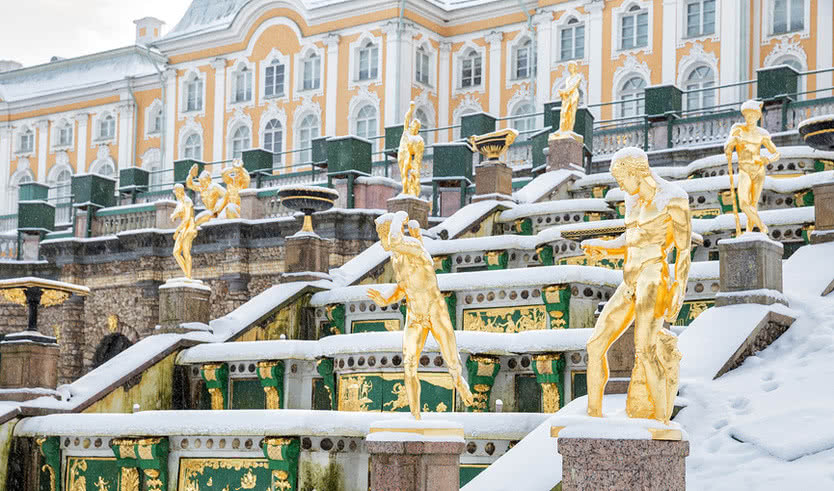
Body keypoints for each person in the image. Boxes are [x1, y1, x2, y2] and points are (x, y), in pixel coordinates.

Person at [581, 147, 691, 423]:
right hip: (629, 280)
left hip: (654, 278)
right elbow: (630, 240)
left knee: (645, 351)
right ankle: (593, 415)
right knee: (595, 346)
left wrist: (680, 288)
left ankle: (661, 422)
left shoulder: (674, 199)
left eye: (621, 179)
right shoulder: (633, 201)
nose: (620, 186)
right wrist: (603, 248)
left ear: (636, 172)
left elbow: (684, 250)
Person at [367, 211, 474, 419]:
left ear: (389, 233)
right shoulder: (396, 258)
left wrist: (399, 216)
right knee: (409, 365)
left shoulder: (415, 248)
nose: (380, 244)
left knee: (452, 361)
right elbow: (402, 286)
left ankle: (459, 381)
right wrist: (386, 299)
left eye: (381, 237)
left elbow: (396, 240)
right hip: (414, 314)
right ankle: (415, 416)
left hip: (435, 310)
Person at [724, 99, 780, 234]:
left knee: (753, 204)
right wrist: (732, 142)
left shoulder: (762, 134)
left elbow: (776, 153)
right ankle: (762, 227)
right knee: (743, 203)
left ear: (758, 116)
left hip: (759, 170)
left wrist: (768, 159)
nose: (749, 118)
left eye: (753, 115)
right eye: (747, 115)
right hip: (744, 169)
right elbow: (726, 148)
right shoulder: (738, 130)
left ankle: (749, 232)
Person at [397, 101, 425, 197]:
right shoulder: (406, 132)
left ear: (417, 129)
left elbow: (418, 156)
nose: (413, 127)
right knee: (403, 174)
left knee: (407, 173)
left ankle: (408, 191)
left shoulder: (418, 139)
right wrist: (411, 109)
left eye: (415, 126)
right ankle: (405, 190)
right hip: (401, 154)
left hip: (408, 156)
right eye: (413, 125)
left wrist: (416, 165)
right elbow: (406, 118)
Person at [171, 184, 198, 279]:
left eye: (177, 192)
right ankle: (186, 272)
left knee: (186, 251)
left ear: (181, 191)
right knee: (176, 252)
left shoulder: (187, 201)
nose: (176, 195)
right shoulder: (180, 202)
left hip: (189, 227)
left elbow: (187, 218)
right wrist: (174, 216)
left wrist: (177, 230)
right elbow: (177, 213)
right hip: (183, 228)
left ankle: (188, 275)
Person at [554, 61, 582, 136]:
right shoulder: (568, 78)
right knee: (563, 112)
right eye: (569, 67)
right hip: (567, 96)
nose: (570, 69)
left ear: (575, 68)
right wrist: (562, 93)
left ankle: (570, 129)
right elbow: (568, 87)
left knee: (571, 113)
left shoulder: (578, 76)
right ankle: (562, 128)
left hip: (573, 95)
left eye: (571, 67)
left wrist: (563, 91)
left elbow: (573, 87)